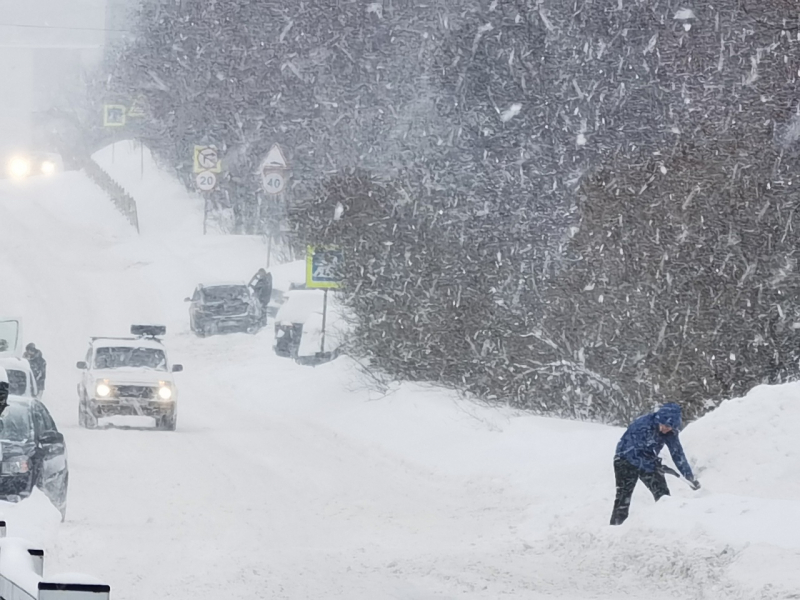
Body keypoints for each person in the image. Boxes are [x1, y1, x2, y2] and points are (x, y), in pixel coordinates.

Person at [610, 402, 700, 525]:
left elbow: (678, 454)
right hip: (625, 459)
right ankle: (616, 527)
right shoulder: (642, 425)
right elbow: (633, 451)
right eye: (663, 425)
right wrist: (654, 464)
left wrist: (689, 477)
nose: (665, 429)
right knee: (624, 497)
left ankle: (666, 524)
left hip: (648, 461)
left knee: (663, 495)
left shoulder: (670, 433)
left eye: (669, 427)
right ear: (658, 420)